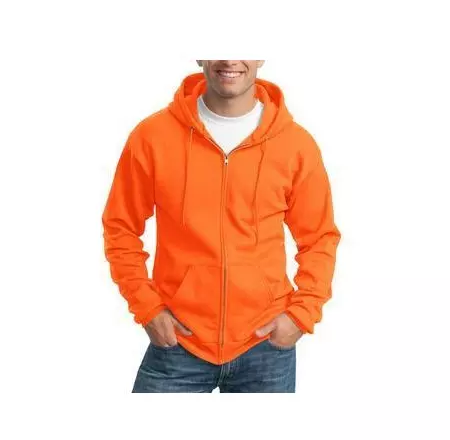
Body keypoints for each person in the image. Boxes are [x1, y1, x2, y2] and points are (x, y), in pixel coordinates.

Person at [101, 60, 341, 393]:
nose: (229, 60)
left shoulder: (295, 144)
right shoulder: (152, 136)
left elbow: (319, 238)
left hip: (265, 345)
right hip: (178, 341)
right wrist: (147, 308)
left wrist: (302, 315)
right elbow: (120, 227)